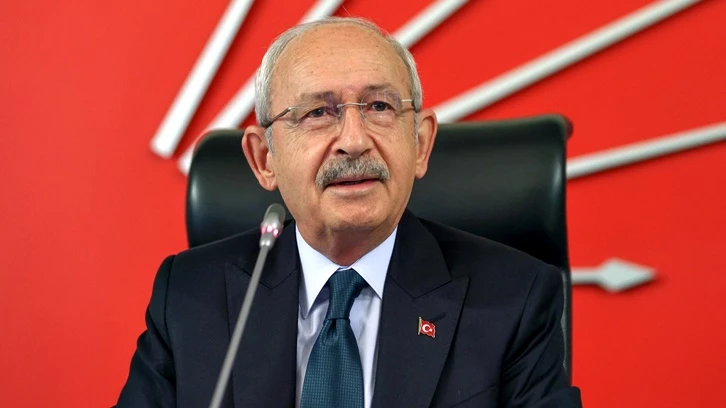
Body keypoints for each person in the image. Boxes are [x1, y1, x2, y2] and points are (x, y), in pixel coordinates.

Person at [117, 17, 582, 408]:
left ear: (420, 144)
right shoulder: (189, 297)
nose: (355, 141)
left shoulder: (514, 300)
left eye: (380, 106)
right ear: (264, 159)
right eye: (318, 113)